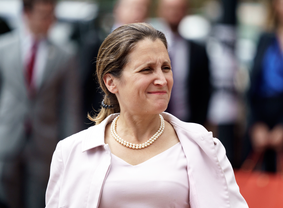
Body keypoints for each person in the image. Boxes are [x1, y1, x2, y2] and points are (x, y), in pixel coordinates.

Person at [45, 23, 248, 208]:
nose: (162, 79)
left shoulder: (203, 147)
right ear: (111, 82)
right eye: (147, 69)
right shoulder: (71, 151)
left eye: (166, 68)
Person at [0, 0, 81, 207]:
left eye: (52, 15)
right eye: (43, 15)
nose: (49, 21)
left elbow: (69, 107)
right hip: (6, 142)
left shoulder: (65, 54)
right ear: (26, 13)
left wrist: (70, 151)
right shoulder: (1, 48)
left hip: (44, 145)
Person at [156, 0, 212, 126]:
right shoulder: (148, 48)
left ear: (187, 10)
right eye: (170, 7)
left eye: (179, 8)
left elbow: (205, 91)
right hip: (154, 122)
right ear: (160, 10)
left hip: (187, 123)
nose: (174, 12)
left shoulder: (198, 50)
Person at [245, 0, 283, 172]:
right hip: (263, 119)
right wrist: (255, 124)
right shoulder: (265, 39)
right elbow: (253, 86)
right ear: (275, 4)